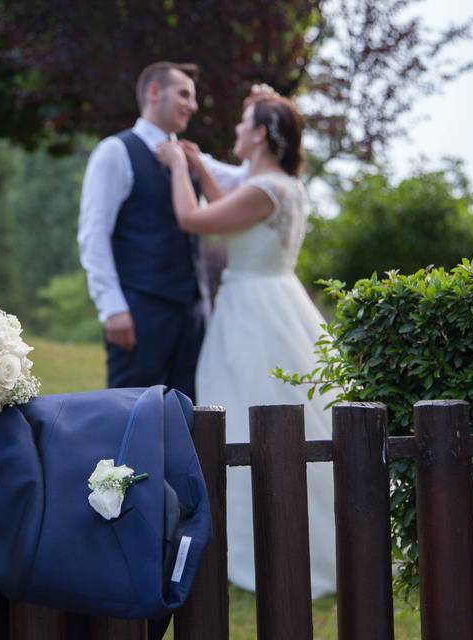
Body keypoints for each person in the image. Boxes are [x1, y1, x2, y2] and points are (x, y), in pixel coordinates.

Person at [155, 94, 337, 597]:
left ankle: (267, 543)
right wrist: (199, 165)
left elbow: (196, 219)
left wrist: (176, 166)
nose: (235, 126)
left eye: (243, 120)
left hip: (253, 309)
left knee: (243, 410)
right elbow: (229, 209)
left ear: (259, 134)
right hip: (276, 299)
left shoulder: (264, 188)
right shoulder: (281, 186)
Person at [78, 61, 244, 401]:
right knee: (131, 414)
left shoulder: (191, 156)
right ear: (155, 93)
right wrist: (112, 306)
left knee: (189, 420)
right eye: (184, 94)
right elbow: (93, 233)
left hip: (194, 313)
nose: (193, 106)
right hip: (140, 310)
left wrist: (266, 112)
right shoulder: (116, 151)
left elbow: (248, 182)